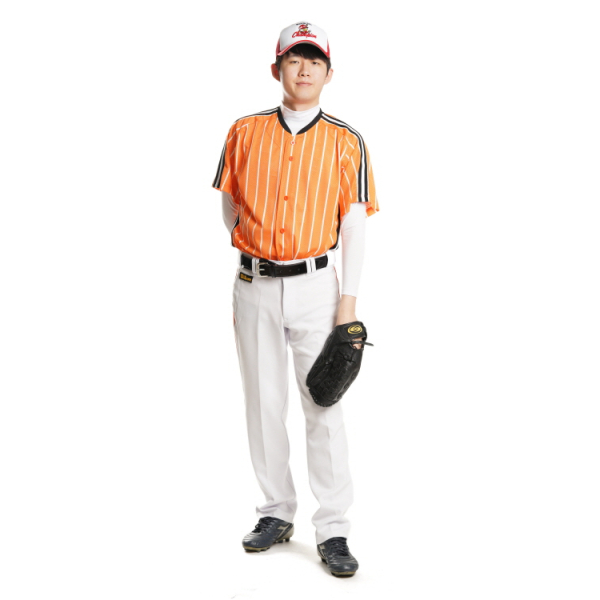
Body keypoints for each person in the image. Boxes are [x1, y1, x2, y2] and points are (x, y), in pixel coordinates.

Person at [212, 22, 379, 577]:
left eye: (314, 61)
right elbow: (230, 204)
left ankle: (332, 528)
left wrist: (348, 302)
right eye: (293, 59)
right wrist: (253, 250)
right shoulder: (243, 131)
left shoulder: (346, 141)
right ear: (276, 68)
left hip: (316, 288)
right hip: (254, 285)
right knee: (262, 404)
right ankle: (276, 512)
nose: (303, 69)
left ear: (329, 73)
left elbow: (354, 224)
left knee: (323, 404)